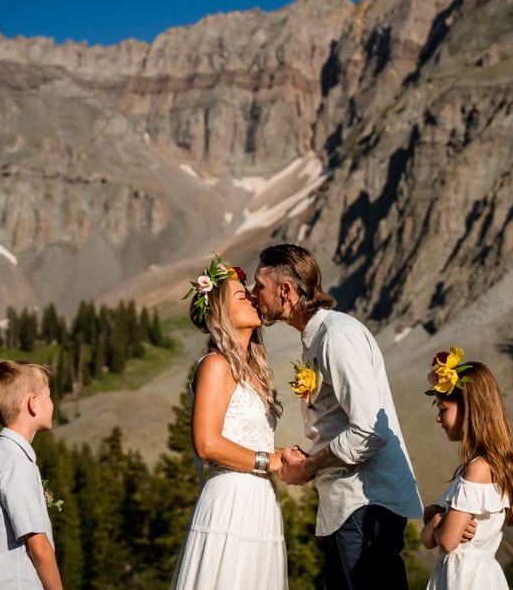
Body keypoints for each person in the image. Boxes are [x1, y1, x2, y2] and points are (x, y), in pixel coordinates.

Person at [251, 243, 423, 590]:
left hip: (364, 504)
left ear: (285, 291)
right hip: (346, 506)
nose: (254, 295)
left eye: (259, 286)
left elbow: (370, 430)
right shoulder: (316, 339)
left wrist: (309, 466)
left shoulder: (337, 336)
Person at [171, 255, 288, 589]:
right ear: (221, 312)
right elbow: (207, 443)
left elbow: (244, 439)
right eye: (242, 296)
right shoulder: (215, 365)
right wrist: (268, 461)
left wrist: (284, 455)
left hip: (260, 502)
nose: (253, 298)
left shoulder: (254, 371)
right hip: (232, 501)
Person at [419, 349, 513, 589]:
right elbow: (428, 540)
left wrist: (437, 518)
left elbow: (447, 541)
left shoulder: (478, 469)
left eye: (443, 409)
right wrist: (440, 523)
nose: (438, 419)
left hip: (467, 579)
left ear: (469, 409)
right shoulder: (472, 467)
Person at [0, 360, 62, 590]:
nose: (52, 403)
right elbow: (39, 546)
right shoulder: (16, 464)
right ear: (33, 403)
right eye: (48, 396)